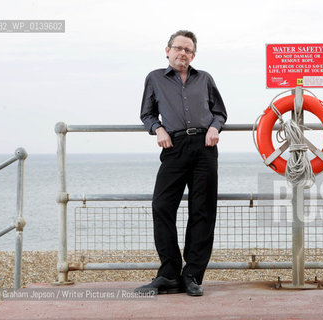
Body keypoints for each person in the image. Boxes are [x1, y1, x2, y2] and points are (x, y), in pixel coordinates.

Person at [135, 30, 227, 297]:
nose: (182, 53)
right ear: (167, 50)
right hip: (173, 147)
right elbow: (147, 113)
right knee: (162, 205)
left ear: (193, 55)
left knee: (202, 210)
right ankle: (168, 273)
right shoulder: (154, 78)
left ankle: (192, 276)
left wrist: (214, 127)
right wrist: (158, 129)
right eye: (178, 48)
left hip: (205, 147)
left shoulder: (205, 79)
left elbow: (220, 112)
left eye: (187, 50)